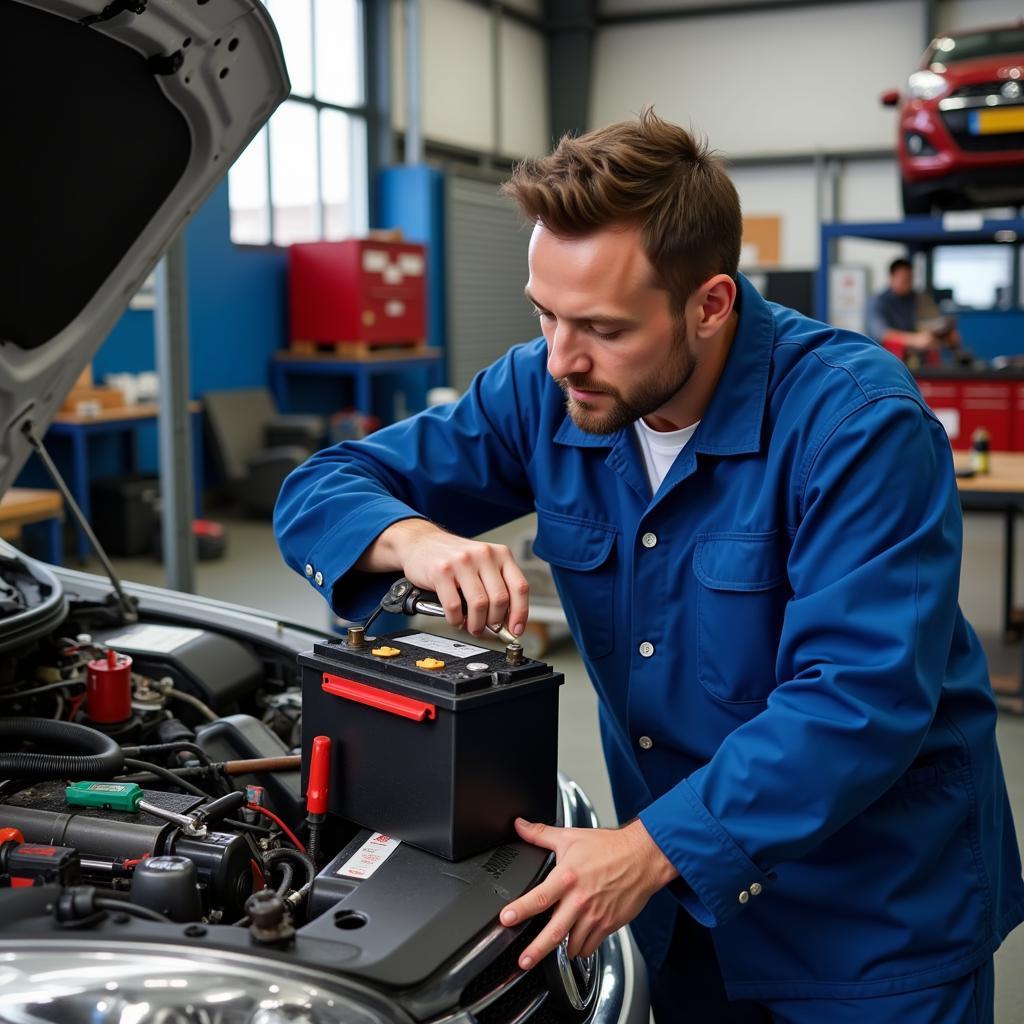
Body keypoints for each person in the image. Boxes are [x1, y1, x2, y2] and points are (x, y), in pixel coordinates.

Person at [274, 110, 1024, 1023]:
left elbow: (858, 700)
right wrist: (414, 540)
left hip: (871, 922)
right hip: (679, 915)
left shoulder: (856, 424)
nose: (561, 359)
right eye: (543, 314)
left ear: (710, 304)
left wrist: (653, 849)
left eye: (600, 327)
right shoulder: (542, 387)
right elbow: (325, 484)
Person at [867, 257, 962, 366]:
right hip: (883, 362)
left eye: (910, 279)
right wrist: (915, 339)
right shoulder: (877, 302)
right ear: (892, 278)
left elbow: (929, 321)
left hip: (910, 361)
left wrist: (944, 336)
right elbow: (882, 334)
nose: (908, 284)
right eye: (904, 280)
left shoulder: (914, 298)